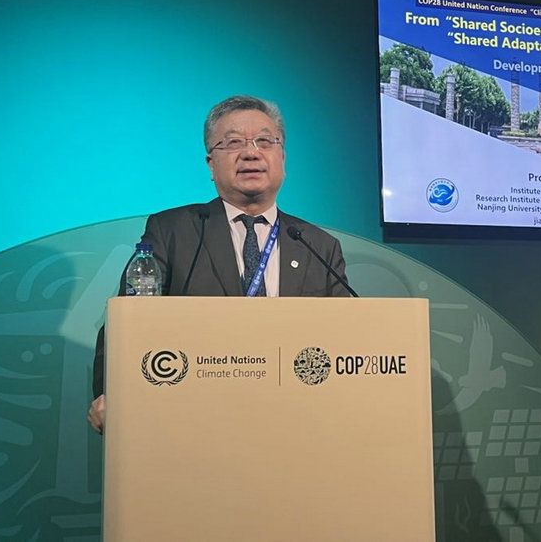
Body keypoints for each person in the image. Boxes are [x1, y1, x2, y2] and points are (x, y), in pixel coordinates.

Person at [87, 95, 352, 433]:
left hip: (296, 419)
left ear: (282, 157)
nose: (251, 153)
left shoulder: (318, 245)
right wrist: (112, 394)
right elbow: (125, 324)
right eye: (233, 143)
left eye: (265, 141)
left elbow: (347, 339)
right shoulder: (172, 231)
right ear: (211, 164)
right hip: (195, 418)